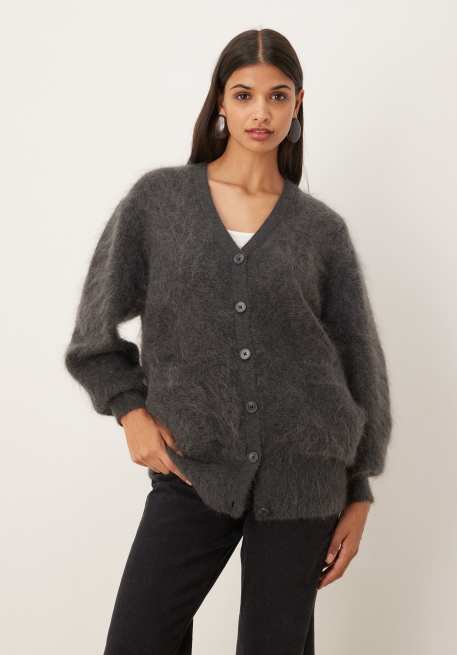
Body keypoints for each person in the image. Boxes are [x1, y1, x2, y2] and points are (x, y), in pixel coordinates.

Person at [64, 27, 393, 655]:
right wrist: (130, 411)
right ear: (220, 100)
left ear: (298, 104)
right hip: (191, 466)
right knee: (138, 638)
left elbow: (359, 365)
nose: (260, 113)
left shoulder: (320, 230)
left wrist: (359, 492)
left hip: (305, 480)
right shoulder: (159, 203)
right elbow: (92, 332)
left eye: (277, 96)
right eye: (244, 95)